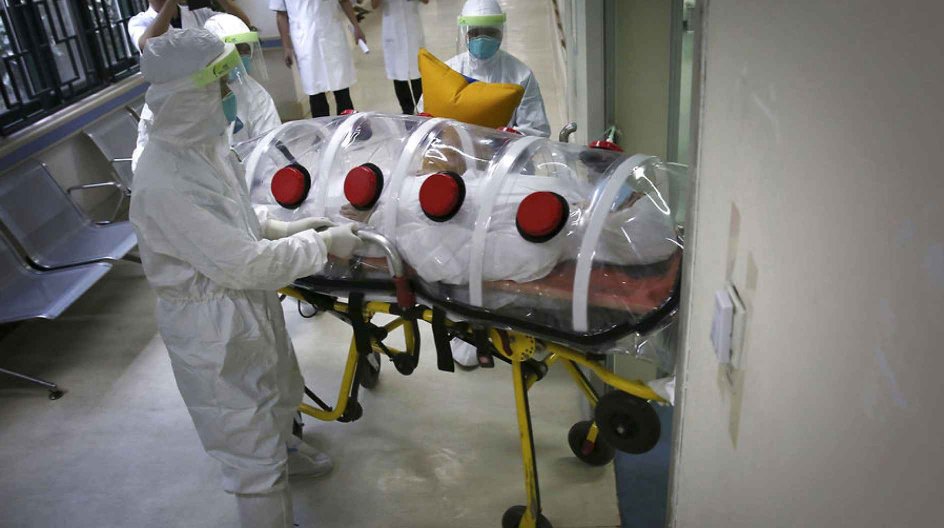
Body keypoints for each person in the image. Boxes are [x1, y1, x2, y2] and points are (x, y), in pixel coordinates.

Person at [130, 28, 362, 527]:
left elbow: (234, 217)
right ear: (188, 98)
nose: (232, 96)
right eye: (220, 87)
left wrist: (283, 226)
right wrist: (319, 245)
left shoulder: (204, 147)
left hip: (243, 303)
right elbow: (241, 263)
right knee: (243, 426)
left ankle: (286, 453)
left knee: (277, 388)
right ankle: (265, 507)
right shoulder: (163, 180)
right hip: (211, 324)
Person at [128, 0, 254, 171]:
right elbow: (148, 44)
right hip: (171, 107)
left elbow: (242, 23)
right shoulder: (140, 21)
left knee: (214, 159)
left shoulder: (198, 13)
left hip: (203, 102)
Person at [418, 0, 551, 137]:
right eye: (475, 33)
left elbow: (536, 130)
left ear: (500, 32)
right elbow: (424, 115)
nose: (482, 39)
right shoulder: (447, 71)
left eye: (490, 32)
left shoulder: (521, 75)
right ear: (465, 33)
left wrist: (513, 137)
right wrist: (427, 125)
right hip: (455, 152)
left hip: (502, 154)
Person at [272, 0, 366, 117]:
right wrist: (286, 46)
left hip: (332, 35)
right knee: (316, 95)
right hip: (305, 43)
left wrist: (356, 27)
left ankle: (348, 132)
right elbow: (281, 14)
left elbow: (344, 1)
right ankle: (322, 133)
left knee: (342, 91)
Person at [204, 13, 283, 144]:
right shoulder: (196, 95)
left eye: (244, 49)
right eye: (234, 50)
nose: (240, 57)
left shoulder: (256, 95)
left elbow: (270, 145)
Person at [372, 0, 428, 115]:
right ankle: (407, 111)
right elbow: (374, 5)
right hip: (393, 30)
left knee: (417, 73)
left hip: (413, 29)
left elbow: (426, 1)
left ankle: (423, 110)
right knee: (398, 74)